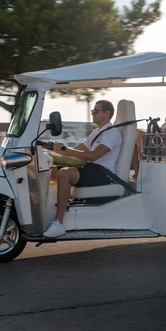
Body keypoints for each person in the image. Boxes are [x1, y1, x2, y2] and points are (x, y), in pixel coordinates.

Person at [43, 100, 122, 238]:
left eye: (96, 111)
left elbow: (93, 155)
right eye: (93, 110)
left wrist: (68, 150)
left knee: (64, 174)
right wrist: (53, 148)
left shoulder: (112, 133)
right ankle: (44, 209)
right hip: (91, 170)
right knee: (47, 171)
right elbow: (76, 150)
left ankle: (58, 223)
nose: (93, 113)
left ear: (107, 113)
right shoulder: (97, 132)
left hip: (102, 174)